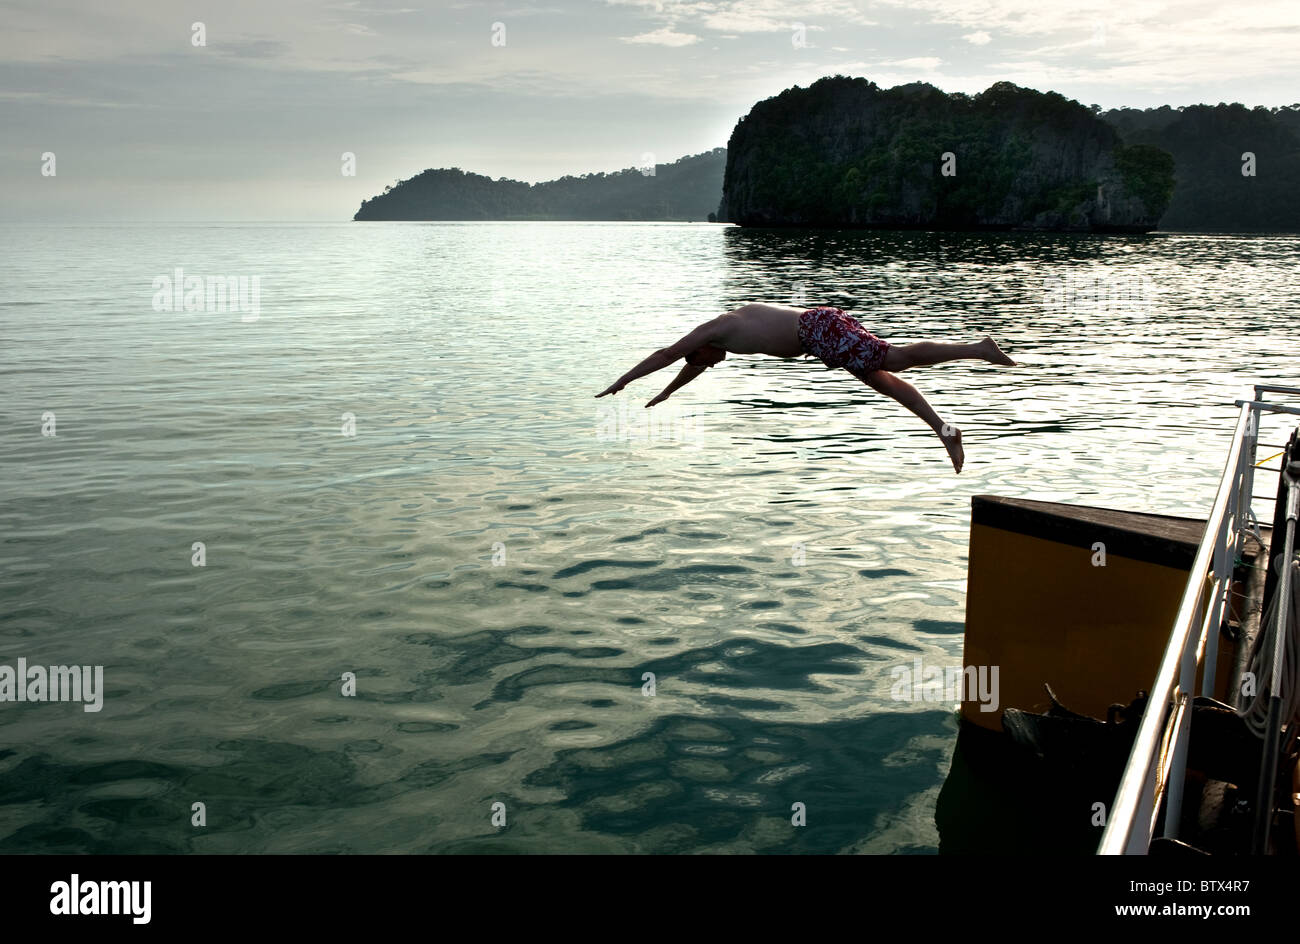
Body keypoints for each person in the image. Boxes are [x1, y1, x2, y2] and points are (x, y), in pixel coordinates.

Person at [595, 302, 1017, 473]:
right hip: (820, 334)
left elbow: (669, 354)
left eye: (706, 361)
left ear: (702, 348)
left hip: (819, 329)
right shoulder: (715, 343)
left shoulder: (717, 329)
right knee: (883, 381)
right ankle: (946, 432)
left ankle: (977, 348)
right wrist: (668, 394)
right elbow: (687, 368)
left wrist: (625, 379)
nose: (711, 365)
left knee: (890, 360)